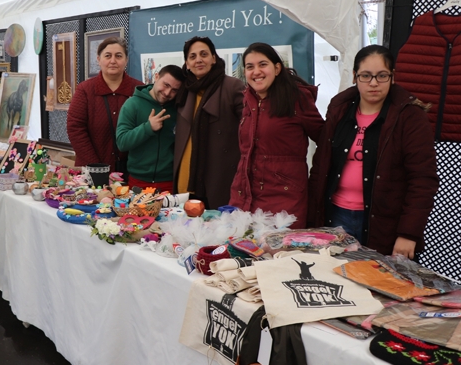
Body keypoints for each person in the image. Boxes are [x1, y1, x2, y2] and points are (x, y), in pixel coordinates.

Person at [308, 45, 438, 257]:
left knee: (378, 275)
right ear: (354, 76)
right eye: (366, 75)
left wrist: (408, 233)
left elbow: (423, 180)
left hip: (384, 223)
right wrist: (312, 221)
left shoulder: (410, 117)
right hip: (336, 216)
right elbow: (320, 166)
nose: (374, 83)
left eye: (382, 75)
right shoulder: (339, 109)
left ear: (392, 76)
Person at [229, 42, 324, 228]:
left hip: (284, 201)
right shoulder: (248, 99)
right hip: (244, 198)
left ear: (277, 68)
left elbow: (326, 140)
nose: (256, 71)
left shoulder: (297, 98)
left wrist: (315, 180)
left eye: (263, 64)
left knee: (280, 247)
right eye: (250, 67)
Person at [173, 36, 245, 209]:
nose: (198, 60)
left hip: (219, 178)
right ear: (187, 63)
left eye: (204, 54)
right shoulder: (184, 90)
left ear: (213, 58)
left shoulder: (232, 86)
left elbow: (248, 128)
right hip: (186, 179)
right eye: (192, 56)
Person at [67, 37, 142, 171]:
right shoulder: (85, 89)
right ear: (98, 59)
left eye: (118, 56)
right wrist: (95, 166)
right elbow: (75, 128)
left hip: (132, 169)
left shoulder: (139, 89)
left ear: (126, 60)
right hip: (91, 170)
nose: (113, 61)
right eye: (107, 56)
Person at [116, 65, 185, 191]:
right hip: (138, 181)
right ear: (156, 76)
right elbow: (122, 142)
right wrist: (148, 128)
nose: (167, 93)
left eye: (174, 90)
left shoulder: (178, 108)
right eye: (166, 85)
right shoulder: (132, 104)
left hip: (169, 181)